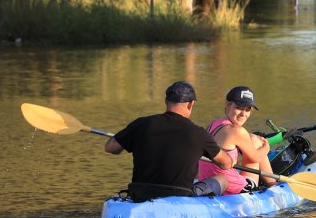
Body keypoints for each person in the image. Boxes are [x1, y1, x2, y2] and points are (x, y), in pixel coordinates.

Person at [104, 80, 235, 201]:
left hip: (140, 193)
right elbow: (225, 164)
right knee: (222, 179)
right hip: (180, 196)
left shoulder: (141, 124)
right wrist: (232, 159)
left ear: (166, 101)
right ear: (190, 104)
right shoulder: (198, 133)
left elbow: (110, 148)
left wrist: (123, 135)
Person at [196, 86, 278, 194]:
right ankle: (274, 187)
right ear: (227, 105)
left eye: (248, 109)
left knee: (253, 138)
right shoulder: (238, 131)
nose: (243, 114)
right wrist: (266, 146)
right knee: (256, 143)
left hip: (210, 183)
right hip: (233, 188)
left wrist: (253, 137)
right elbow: (257, 157)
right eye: (239, 107)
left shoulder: (214, 124)